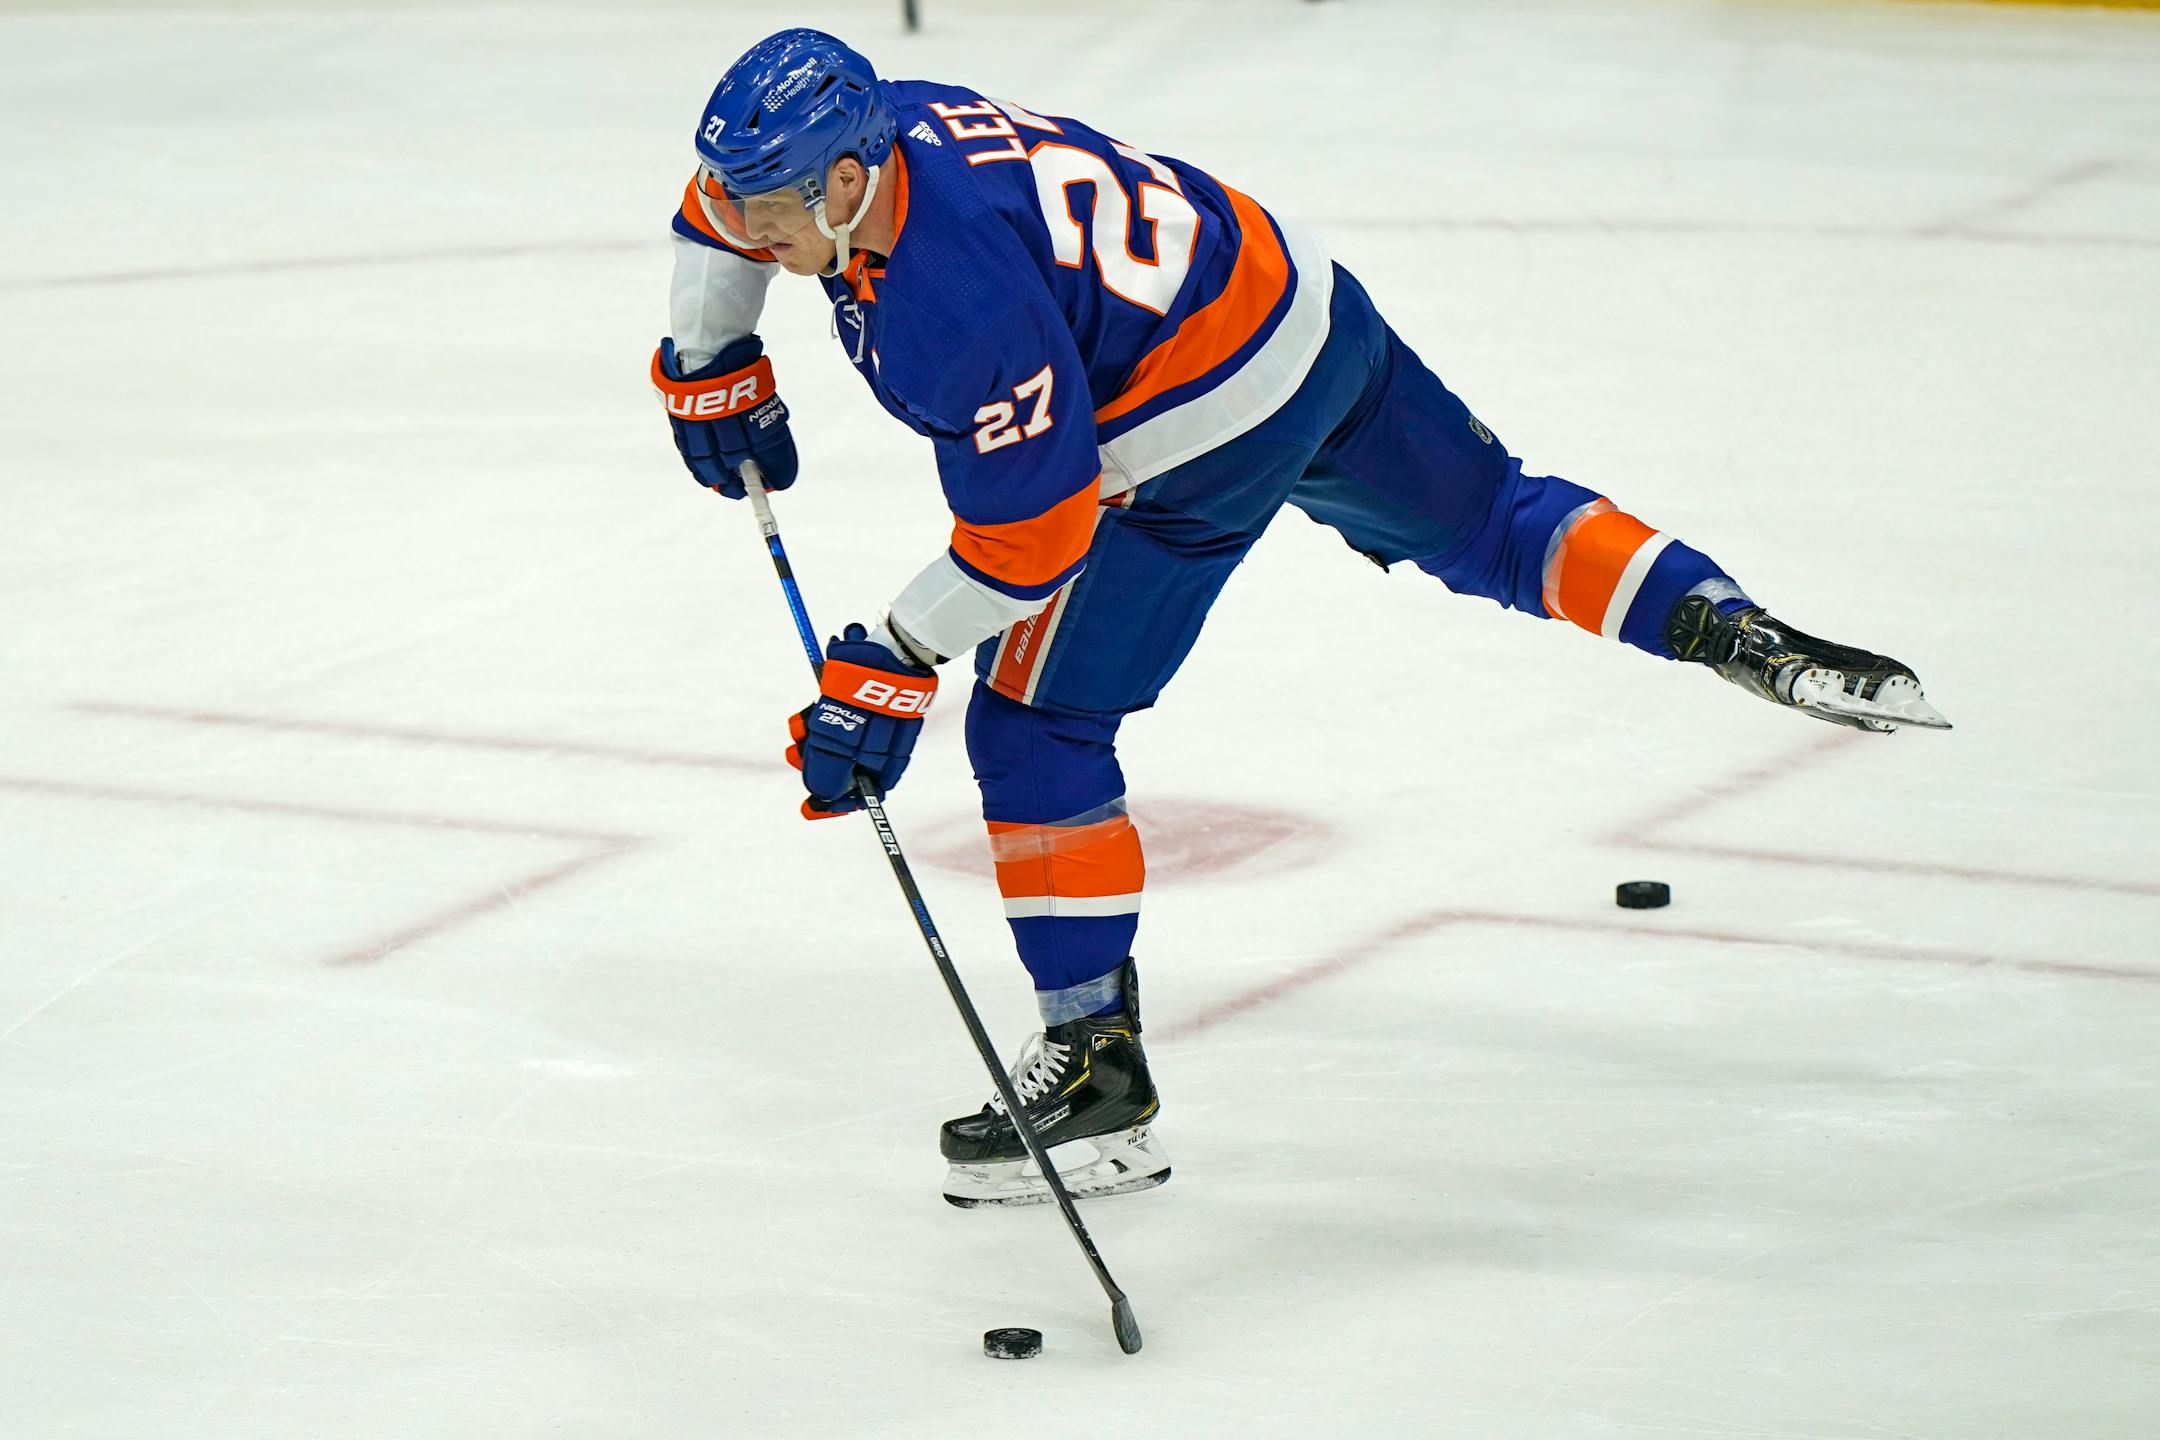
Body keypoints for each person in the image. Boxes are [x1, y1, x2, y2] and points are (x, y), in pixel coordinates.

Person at [650, 30, 1949, 1208]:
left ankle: (1099, 1078)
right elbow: (714, 216)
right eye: (748, 203)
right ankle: (1731, 628)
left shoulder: (953, 307)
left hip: (1194, 422)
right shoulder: (882, 132)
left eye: (776, 210)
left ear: (849, 180)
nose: (753, 233)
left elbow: (1032, 534)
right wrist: (707, 358)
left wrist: (890, 658)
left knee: (1038, 725)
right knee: (1492, 515)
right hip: (1305, 309)